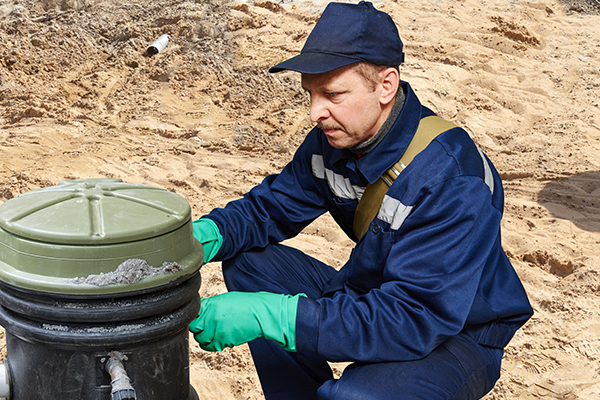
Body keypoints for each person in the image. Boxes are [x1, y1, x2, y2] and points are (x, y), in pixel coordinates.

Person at [189, 2, 533, 399]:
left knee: (355, 397)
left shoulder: (453, 178)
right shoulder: (338, 137)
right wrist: (200, 239)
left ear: (385, 85)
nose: (316, 112)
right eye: (311, 94)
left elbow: (413, 316)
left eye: (332, 94)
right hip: (375, 292)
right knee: (249, 260)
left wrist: (273, 317)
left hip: (454, 331)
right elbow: (270, 209)